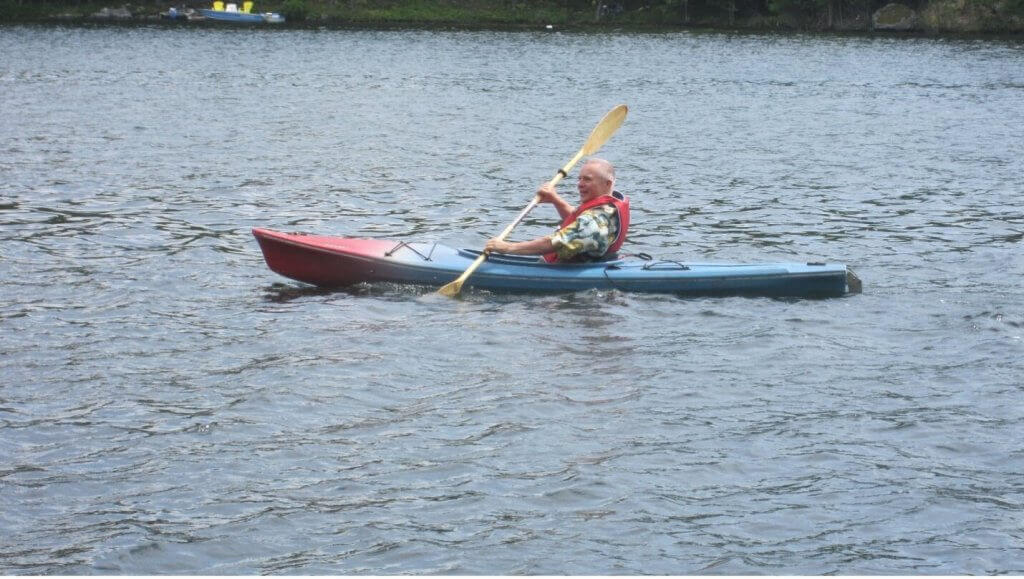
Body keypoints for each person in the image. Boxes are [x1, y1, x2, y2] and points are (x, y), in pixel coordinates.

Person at [484, 158, 630, 263]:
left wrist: (507, 247)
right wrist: (555, 199)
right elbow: (579, 221)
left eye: (587, 179)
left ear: (607, 183)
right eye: (579, 179)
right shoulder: (609, 205)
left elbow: (553, 243)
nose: (580, 184)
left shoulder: (596, 221)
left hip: (574, 269)